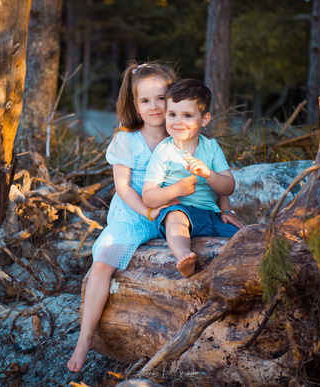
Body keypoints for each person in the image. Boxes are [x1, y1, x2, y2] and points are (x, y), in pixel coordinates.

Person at [67, 62, 178, 373]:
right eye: (146, 100)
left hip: (171, 211)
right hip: (133, 214)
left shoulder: (180, 134)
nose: (155, 106)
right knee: (103, 259)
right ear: (134, 104)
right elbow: (123, 187)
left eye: (162, 97)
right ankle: (85, 338)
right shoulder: (126, 139)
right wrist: (148, 211)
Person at [142, 79, 243, 278]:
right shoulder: (164, 151)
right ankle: (184, 255)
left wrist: (209, 176)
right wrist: (176, 190)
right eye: (172, 114)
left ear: (204, 120)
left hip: (211, 215)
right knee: (175, 218)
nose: (178, 121)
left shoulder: (211, 147)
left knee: (242, 237)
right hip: (179, 209)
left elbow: (228, 186)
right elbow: (148, 197)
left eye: (187, 115)